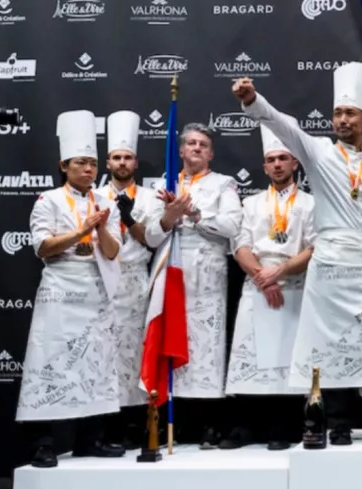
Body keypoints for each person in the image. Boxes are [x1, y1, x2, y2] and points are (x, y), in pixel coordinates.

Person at [232, 62, 362, 445]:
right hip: (328, 260)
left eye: (350, 113)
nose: (341, 119)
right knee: (329, 343)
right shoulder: (318, 152)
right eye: (337, 113)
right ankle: (337, 424)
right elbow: (281, 123)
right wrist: (252, 100)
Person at [17, 110, 125, 467]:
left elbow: (111, 253)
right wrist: (82, 231)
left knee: (94, 363)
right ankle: (44, 443)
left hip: (96, 288)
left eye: (93, 164)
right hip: (61, 289)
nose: (89, 170)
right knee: (51, 363)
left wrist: (102, 228)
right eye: (81, 163)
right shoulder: (47, 200)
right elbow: (43, 247)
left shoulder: (107, 202)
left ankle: (89, 439)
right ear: (64, 165)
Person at [145, 122, 242, 448]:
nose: (197, 148)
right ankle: (176, 422)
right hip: (170, 274)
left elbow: (231, 226)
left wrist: (196, 213)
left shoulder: (224, 184)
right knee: (170, 345)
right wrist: (169, 216)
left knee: (206, 349)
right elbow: (150, 236)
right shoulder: (163, 184)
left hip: (206, 278)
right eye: (191, 143)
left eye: (203, 144)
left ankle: (209, 425)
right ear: (182, 150)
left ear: (211, 153)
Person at [222, 125, 316, 450]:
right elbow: (240, 246)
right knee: (250, 357)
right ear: (264, 167)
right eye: (271, 160)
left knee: (286, 359)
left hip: (294, 285)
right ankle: (244, 427)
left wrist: (280, 272)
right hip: (256, 284)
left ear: (295, 163)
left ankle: (282, 428)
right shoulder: (250, 204)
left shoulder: (310, 203)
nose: (277, 164)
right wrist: (263, 277)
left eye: (283, 158)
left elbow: (314, 247)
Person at [102, 110, 168, 448]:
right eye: (116, 157)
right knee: (107, 355)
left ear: (136, 163)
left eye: (127, 157)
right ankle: (107, 427)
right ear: (108, 161)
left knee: (137, 352)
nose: (122, 163)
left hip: (137, 282)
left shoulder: (150, 198)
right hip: (103, 284)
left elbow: (153, 239)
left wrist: (130, 219)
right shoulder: (95, 197)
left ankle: (138, 426)